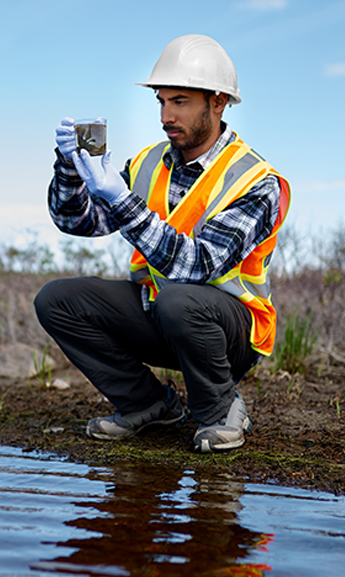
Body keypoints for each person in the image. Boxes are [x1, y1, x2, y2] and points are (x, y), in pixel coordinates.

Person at [34, 34, 291, 453]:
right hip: (159, 313)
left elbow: (199, 265)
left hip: (228, 332)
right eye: (161, 101)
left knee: (181, 300)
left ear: (219, 101)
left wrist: (120, 199)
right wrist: (70, 169)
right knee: (57, 299)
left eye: (180, 101)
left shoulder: (257, 181)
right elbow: (76, 221)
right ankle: (147, 405)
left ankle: (220, 410)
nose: (166, 115)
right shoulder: (148, 162)